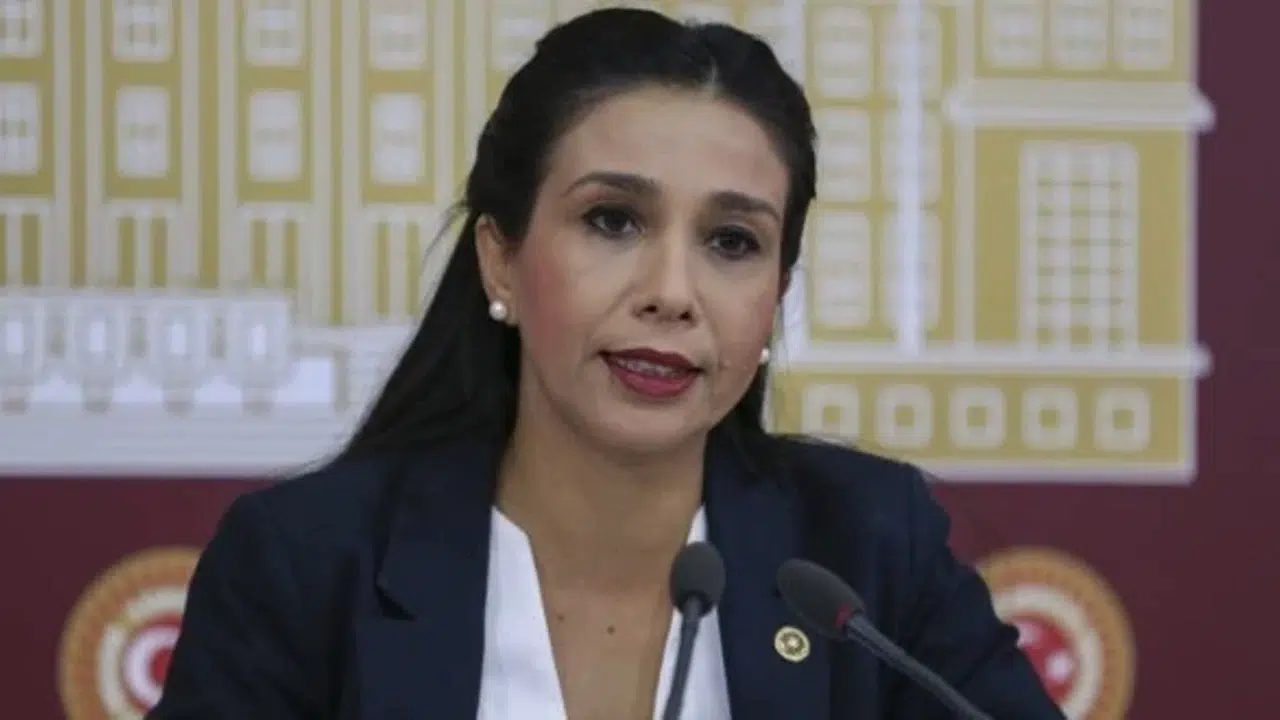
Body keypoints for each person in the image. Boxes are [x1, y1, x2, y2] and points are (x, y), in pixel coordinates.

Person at [150, 7, 1063, 720]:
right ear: (501, 260)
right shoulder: (307, 565)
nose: (672, 292)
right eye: (613, 221)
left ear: (776, 296)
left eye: (732, 241)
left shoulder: (867, 554)